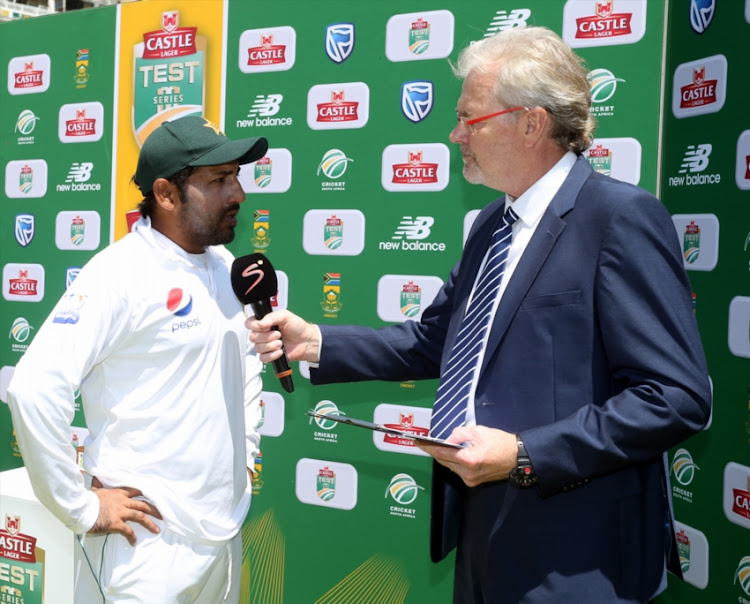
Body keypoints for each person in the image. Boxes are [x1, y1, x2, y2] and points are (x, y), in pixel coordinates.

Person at [247, 27, 711, 604]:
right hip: (485, 540)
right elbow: (436, 342)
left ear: (531, 122)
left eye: (471, 118)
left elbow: (675, 397)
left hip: (580, 557)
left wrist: (524, 453)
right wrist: (314, 340)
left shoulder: (619, 218)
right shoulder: (493, 224)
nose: (454, 134)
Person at [7, 115, 269, 603]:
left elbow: (246, 366)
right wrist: (81, 508)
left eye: (236, 176)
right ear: (166, 194)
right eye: (218, 180)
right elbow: (34, 389)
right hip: (144, 545)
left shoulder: (229, 269)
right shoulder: (119, 273)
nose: (238, 194)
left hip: (223, 535)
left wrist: (246, 452)